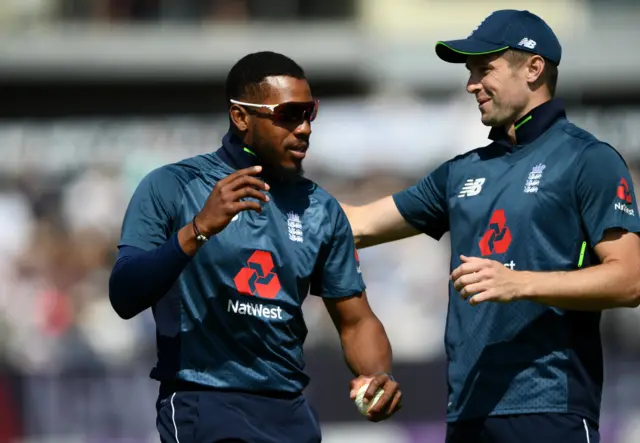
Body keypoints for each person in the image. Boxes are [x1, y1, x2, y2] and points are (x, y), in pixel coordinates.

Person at [342, 9, 640, 443]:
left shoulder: (587, 160)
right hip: (467, 412)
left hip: (549, 408)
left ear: (534, 68)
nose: (471, 84)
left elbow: (630, 279)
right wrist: (270, 195)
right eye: (470, 72)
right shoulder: (461, 172)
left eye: (485, 69)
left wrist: (518, 283)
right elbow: (359, 224)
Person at [109, 51, 401, 443]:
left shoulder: (320, 208)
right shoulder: (172, 187)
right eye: (288, 114)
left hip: (291, 413)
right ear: (241, 117)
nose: (303, 129)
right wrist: (197, 229)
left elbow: (356, 321)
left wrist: (377, 375)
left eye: (309, 113)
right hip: (205, 404)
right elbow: (124, 294)